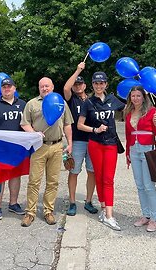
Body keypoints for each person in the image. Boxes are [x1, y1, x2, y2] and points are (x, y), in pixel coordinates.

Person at [20, 77, 73, 227]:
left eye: (47, 86)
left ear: (53, 87)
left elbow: (68, 124)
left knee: (53, 181)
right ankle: (30, 212)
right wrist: (34, 133)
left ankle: (48, 211)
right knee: (34, 181)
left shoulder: (61, 102)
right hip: (38, 147)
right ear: (39, 88)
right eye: (42, 86)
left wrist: (70, 143)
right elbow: (25, 123)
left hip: (57, 146)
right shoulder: (32, 104)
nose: (44, 88)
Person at [77, 71, 125, 231]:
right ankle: (104, 209)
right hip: (95, 143)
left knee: (108, 179)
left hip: (111, 143)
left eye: (101, 83)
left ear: (106, 84)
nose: (99, 86)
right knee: (98, 176)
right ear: (93, 85)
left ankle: (110, 215)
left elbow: (130, 109)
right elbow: (79, 125)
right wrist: (95, 130)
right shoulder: (88, 102)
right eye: (96, 83)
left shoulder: (113, 99)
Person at [0, 78, 26, 220]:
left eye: (9, 86)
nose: (7, 89)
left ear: (14, 88)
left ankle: (13, 203)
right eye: (4, 87)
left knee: (15, 175)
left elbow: (27, 124)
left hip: (17, 148)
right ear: (1, 89)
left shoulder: (23, 104)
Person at [123, 86, 156, 232]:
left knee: (148, 185)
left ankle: (154, 218)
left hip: (147, 149)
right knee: (139, 185)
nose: (135, 98)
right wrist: (127, 153)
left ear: (143, 97)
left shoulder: (151, 111)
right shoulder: (128, 112)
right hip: (134, 149)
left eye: (138, 96)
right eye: (133, 96)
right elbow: (128, 135)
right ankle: (145, 215)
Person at [63, 62, 97, 216]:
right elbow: (65, 88)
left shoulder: (92, 100)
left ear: (85, 85)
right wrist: (78, 70)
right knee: (74, 171)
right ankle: (71, 202)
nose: (77, 86)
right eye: (76, 84)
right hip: (77, 141)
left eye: (80, 84)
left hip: (93, 140)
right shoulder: (71, 99)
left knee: (92, 172)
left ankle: (88, 201)